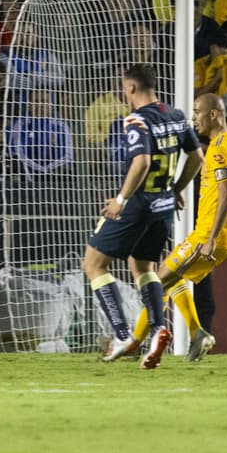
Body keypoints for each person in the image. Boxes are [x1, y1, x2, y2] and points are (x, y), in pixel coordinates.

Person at [84, 63, 203, 367]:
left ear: (131, 88)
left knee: (94, 264)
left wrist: (121, 200)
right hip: (163, 207)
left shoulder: (135, 120)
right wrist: (177, 188)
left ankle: (123, 334)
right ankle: (158, 329)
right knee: (144, 268)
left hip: (137, 205)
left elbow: (142, 162)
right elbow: (196, 157)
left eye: (124, 88)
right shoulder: (177, 115)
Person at [154, 92, 227, 364]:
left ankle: (135, 342)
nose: (193, 117)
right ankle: (196, 334)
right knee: (173, 279)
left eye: (197, 111)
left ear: (213, 114)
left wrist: (210, 238)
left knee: (158, 280)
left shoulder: (219, 148)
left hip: (209, 236)